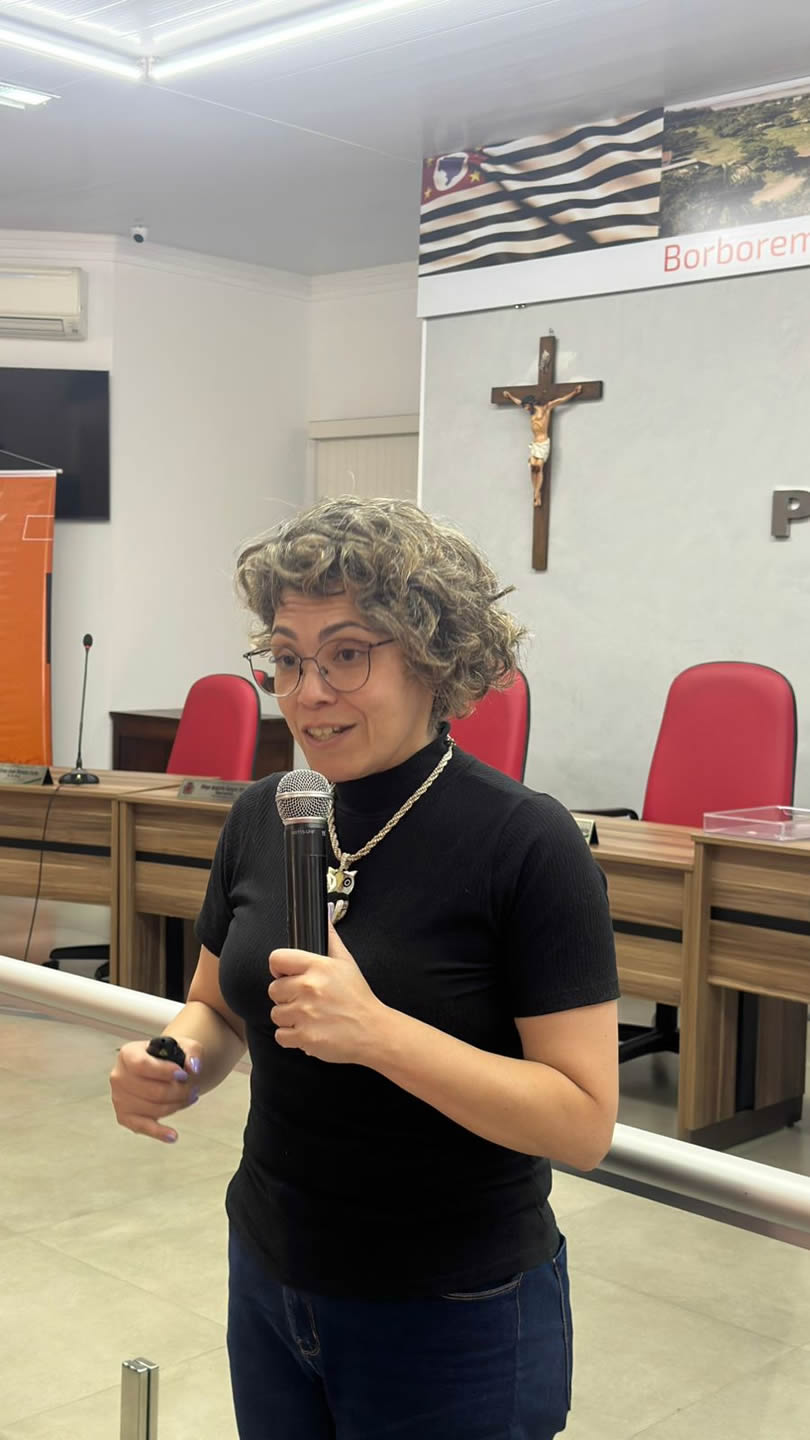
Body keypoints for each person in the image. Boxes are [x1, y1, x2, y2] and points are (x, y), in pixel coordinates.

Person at [109, 495, 619, 1440]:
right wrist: (174, 1061)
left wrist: (380, 1035)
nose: (309, 692)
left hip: (452, 1311)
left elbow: (583, 1121)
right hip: (272, 1272)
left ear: (431, 655)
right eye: (287, 658)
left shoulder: (527, 844)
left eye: (347, 654)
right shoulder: (268, 813)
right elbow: (217, 1008)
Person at [503, 387, 583, 507]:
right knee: (533, 468)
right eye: (524, 406)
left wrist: (574, 392)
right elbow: (519, 402)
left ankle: (537, 494)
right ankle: (536, 493)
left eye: (526, 406)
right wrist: (509, 396)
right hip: (535, 443)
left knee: (538, 467)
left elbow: (560, 400)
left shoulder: (546, 408)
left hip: (543, 443)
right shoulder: (530, 411)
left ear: (531, 404)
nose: (525, 408)